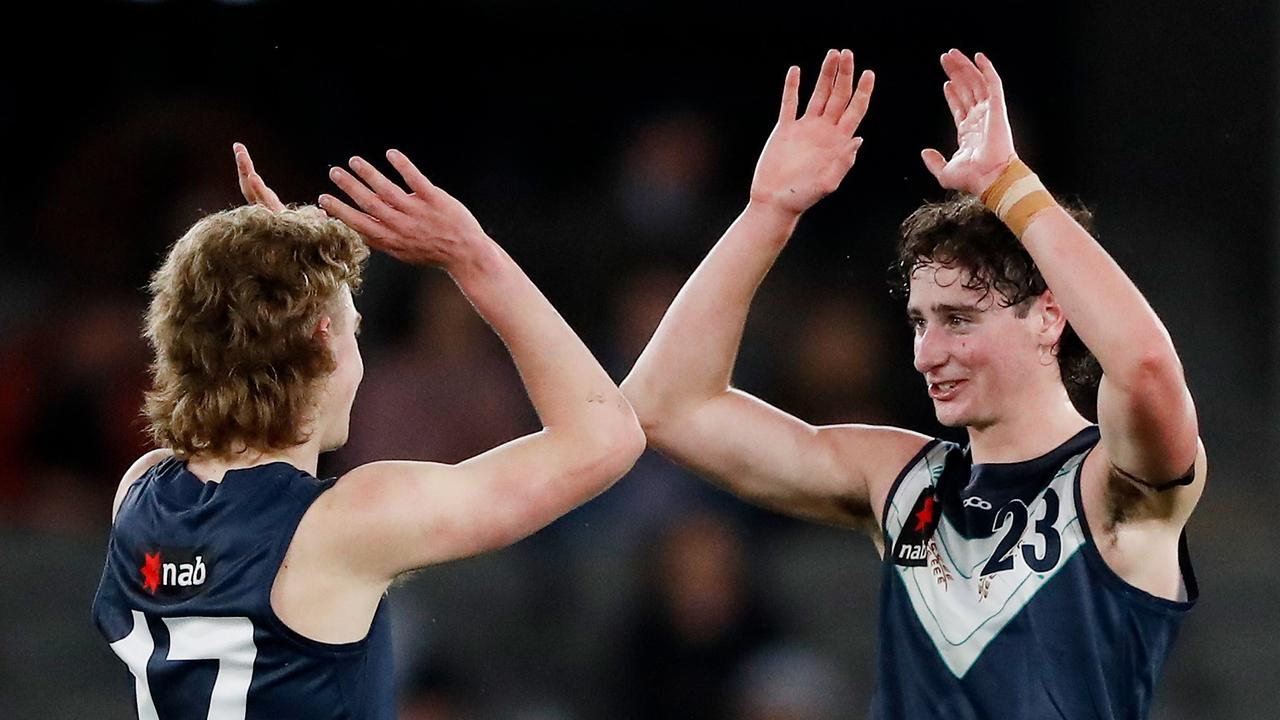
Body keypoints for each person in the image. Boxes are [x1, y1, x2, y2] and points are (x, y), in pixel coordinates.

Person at [621, 48, 1205, 719]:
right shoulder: (898, 480)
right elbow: (666, 406)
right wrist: (767, 215)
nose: (927, 353)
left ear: (1048, 317)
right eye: (919, 322)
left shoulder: (1112, 486)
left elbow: (1149, 370)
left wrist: (1010, 187)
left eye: (958, 320)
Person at [91, 143, 644, 719]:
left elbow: (221, 378)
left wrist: (261, 277)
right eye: (353, 331)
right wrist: (471, 255)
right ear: (324, 340)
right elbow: (604, 436)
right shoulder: (345, 524)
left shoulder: (140, 492)